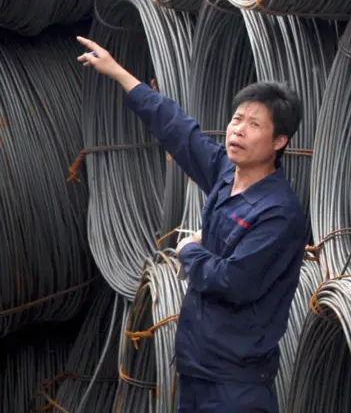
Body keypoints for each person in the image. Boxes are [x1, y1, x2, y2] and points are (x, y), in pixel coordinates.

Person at [76, 36, 307, 413]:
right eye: (237, 119)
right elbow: (177, 128)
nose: (238, 130)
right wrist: (118, 73)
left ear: (279, 141)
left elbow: (233, 282)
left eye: (254, 124)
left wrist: (189, 250)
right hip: (196, 365)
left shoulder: (278, 212)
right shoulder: (225, 174)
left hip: (236, 382)